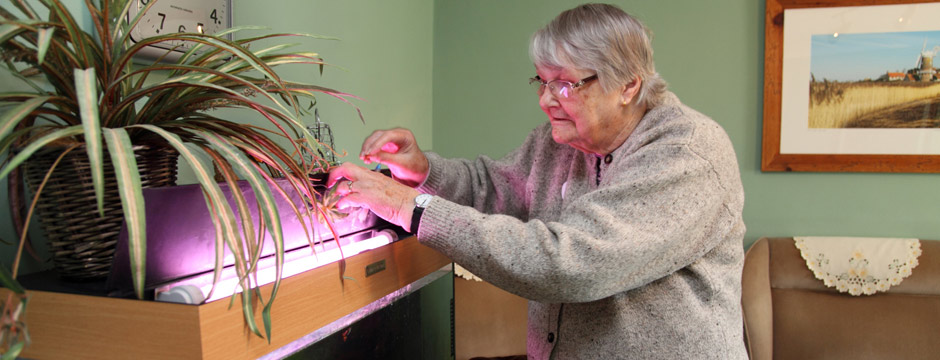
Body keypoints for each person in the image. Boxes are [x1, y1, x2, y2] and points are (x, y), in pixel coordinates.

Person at [327, 3, 747, 359]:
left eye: (564, 84)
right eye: (541, 81)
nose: (546, 100)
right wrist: (423, 172)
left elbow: (574, 264)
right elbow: (490, 188)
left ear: (628, 84)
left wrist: (408, 206)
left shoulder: (686, 153)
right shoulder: (560, 142)